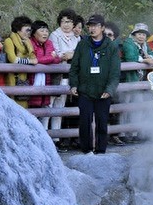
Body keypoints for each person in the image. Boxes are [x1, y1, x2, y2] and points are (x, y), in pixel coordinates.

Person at [68, 14, 120, 154]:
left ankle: (101, 150)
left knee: (102, 123)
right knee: (84, 122)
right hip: (85, 90)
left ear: (102, 28)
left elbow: (115, 72)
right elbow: (74, 68)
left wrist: (109, 89)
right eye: (90, 26)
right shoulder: (82, 44)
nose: (92, 29)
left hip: (103, 91)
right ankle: (86, 150)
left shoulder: (111, 46)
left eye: (96, 26)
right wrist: (73, 85)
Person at [48, 9, 80, 144]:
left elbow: (78, 55)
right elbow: (58, 53)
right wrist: (72, 54)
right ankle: (45, 136)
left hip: (69, 75)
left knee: (60, 107)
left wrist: (71, 55)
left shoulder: (76, 37)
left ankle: (56, 138)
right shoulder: (54, 35)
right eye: (63, 21)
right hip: (56, 74)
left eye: (69, 22)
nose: (66, 24)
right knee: (49, 105)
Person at [29, 20, 61, 132]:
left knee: (44, 112)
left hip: (46, 82)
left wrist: (50, 58)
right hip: (32, 82)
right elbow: (33, 59)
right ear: (34, 33)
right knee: (32, 114)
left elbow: (57, 59)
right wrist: (51, 58)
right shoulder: (30, 43)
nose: (45, 33)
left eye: (47, 30)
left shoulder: (49, 43)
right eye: (42, 30)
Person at [3, 16, 36, 107]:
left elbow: (34, 58)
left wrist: (29, 48)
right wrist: (30, 61)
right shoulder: (9, 41)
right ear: (18, 30)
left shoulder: (27, 42)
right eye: (27, 30)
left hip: (24, 79)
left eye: (30, 30)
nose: (29, 33)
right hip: (11, 78)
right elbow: (13, 59)